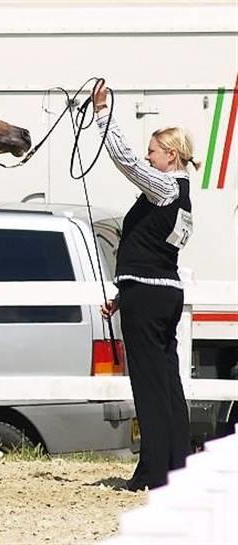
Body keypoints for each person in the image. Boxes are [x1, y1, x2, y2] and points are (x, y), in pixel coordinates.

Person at [92, 79, 200, 491]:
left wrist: (103, 114)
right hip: (160, 292)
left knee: (150, 384)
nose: (148, 157)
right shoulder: (183, 196)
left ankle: (153, 474)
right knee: (167, 383)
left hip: (150, 294)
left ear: (170, 156)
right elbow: (157, 249)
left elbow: (125, 162)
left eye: (153, 151)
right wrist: (124, 296)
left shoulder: (164, 186)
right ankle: (175, 468)